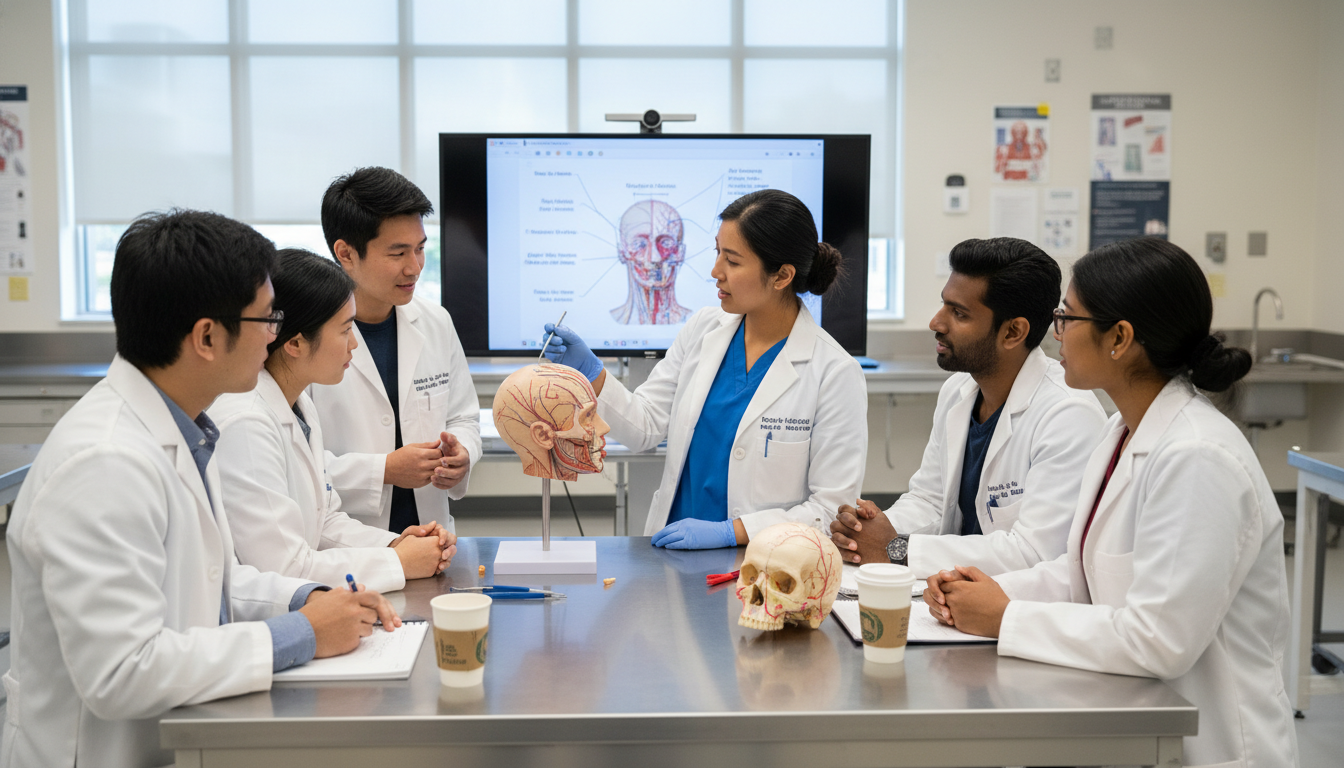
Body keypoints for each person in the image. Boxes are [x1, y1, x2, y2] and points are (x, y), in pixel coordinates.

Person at [1, 210, 400, 768]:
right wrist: (301, 633)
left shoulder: (186, 427)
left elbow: (211, 581)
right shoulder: (105, 463)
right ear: (208, 337)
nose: (274, 333)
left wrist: (307, 600)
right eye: (266, 318)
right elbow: (122, 672)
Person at [925, 238, 1298, 767]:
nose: (1056, 336)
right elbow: (1081, 576)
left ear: (1119, 337)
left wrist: (1006, 616)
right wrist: (978, 590)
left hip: (1209, 742)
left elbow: (1159, 640)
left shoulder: (1197, 457)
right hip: (1138, 725)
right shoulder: (1120, 432)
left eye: (1067, 319)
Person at [543, 188, 867, 549]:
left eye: (732, 260)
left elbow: (831, 509)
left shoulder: (835, 373)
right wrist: (592, 373)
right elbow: (645, 427)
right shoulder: (703, 329)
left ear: (782, 276)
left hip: (763, 562)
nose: (716, 272)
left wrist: (735, 532)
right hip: (673, 547)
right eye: (717, 253)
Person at [830, 237, 1106, 578]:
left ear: (1013, 332)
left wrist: (897, 549)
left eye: (958, 313)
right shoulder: (958, 391)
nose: (936, 322)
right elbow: (930, 500)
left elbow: (1034, 553)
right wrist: (872, 529)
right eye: (944, 305)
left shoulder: (1068, 415)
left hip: (1011, 608)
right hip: (948, 595)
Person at [210, 248, 457, 595]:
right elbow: (284, 568)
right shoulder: (246, 423)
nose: (354, 343)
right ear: (295, 342)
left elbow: (325, 521)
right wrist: (399, 563)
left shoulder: (299, 407)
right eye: (344, 330)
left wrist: (397, 545)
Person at [310, 167, 481, 534]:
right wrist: (383, 470)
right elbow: (294, 462)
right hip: (347, 547)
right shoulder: (303, 338)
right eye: (397, 252)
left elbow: (463, 417)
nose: (414, 267)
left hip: (432, 540)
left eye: (420, 249)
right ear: (346, 253)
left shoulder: (435, 322)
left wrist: (462, 453)